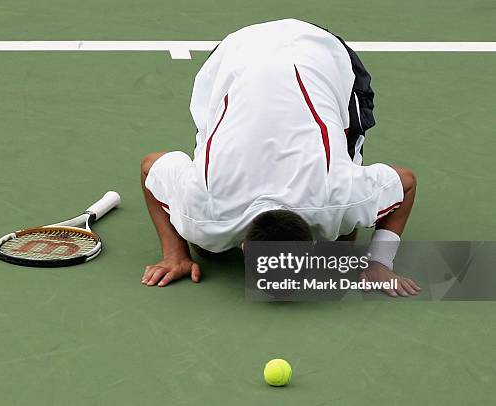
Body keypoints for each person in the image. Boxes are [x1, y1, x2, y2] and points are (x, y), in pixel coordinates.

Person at [140, 19, 420, 296]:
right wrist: (175, 254)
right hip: (240, 55)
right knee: (205, 245)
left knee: (340, 245)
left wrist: (379, 262)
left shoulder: (340, 196)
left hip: (312, 57)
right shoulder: (200, 209)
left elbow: (406, 182)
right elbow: (148, 167)